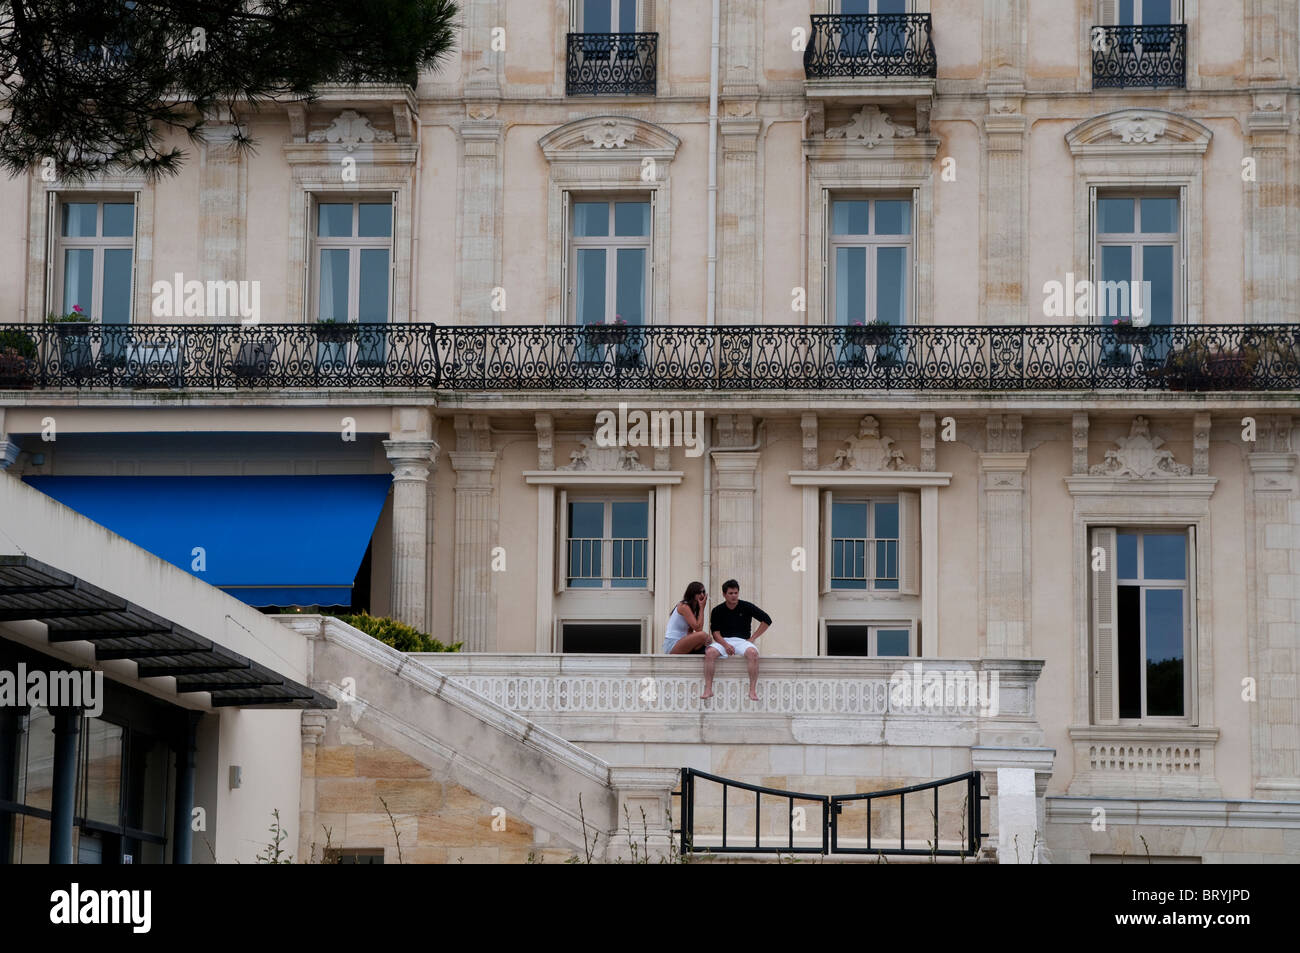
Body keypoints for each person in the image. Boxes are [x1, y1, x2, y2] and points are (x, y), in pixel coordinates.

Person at [703, 579, 771, 701]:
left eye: (736, 593)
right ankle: (708, 689)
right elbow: (715, 633)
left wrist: (753, 638)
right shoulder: (717, 610)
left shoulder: (746, 606)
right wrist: (726, 644)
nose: (734, 596)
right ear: (724, 594)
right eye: (731, 593)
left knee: (753, 653)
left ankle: (752, 690)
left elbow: (767, 620)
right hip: (723, 640)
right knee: (709, 653)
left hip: (742, 641)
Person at [662, 582, 712, 655]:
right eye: (699, 592)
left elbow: (696, 629)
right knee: (703, 635)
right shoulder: (684, 606)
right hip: (672, 644)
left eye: (703, 592)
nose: (702, 595)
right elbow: (698, 629)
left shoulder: (693, 608)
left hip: (681, 641)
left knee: (707, 639)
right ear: (692, 593)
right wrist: (702, 608)